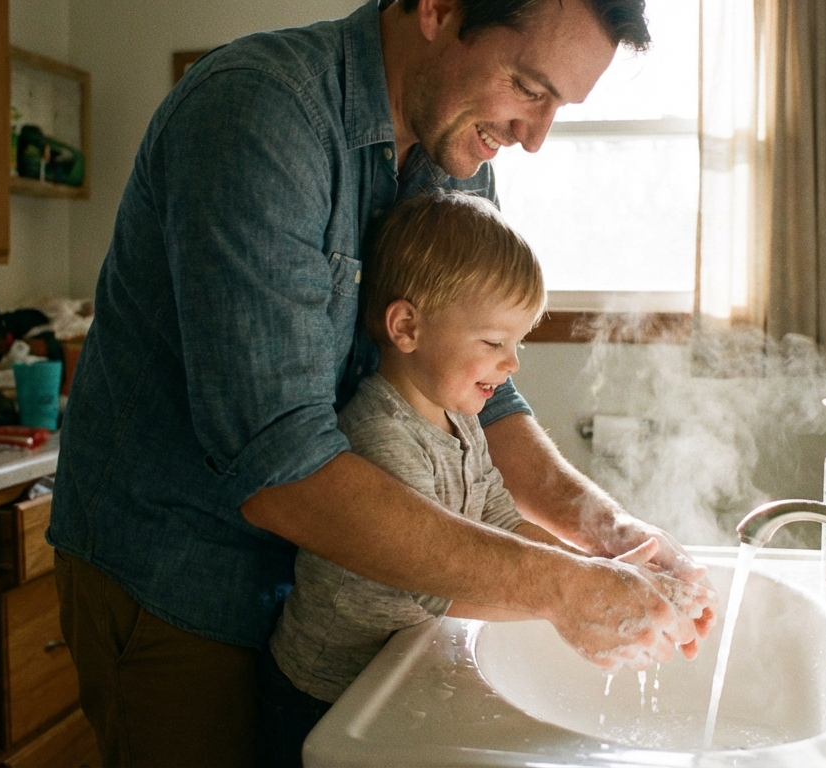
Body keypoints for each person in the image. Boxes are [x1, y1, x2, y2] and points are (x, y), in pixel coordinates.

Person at [48, 0, 716, 765]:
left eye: (559, 105)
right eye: (531, 88)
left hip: (323, 582)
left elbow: (485, 397)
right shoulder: (257, 114)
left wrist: (610, 534)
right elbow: (283, 472)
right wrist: (566, 589)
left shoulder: (456, 155)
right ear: (437, 8)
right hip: (179, 576)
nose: (535, 137)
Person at [260, 190, 682, 764]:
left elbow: (500, 521)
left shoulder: (462, 419)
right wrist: (575, 597)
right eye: (493, 342)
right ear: (406, 326)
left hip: (395, 666)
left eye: (518, 342)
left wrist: (597, 570)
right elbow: (437, 581)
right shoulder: (379, 433)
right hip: (325, 690)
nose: (512, 365)